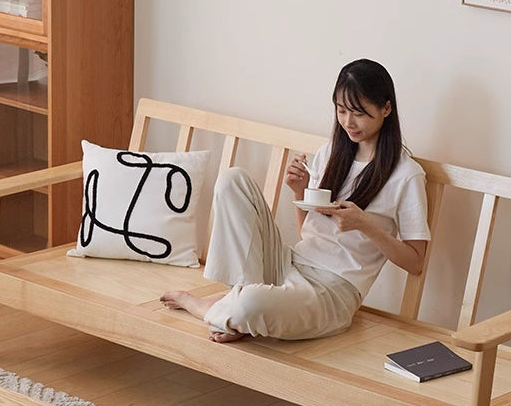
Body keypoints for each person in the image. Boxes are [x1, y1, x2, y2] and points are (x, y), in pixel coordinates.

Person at [160, 58, 431, 342]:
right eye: (341, 111)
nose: (348, 122)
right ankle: (239, 308)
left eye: (359, 113)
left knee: (251, 304)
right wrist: (299, 191)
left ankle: (216, 307)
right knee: (232, 180)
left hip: (331, 292)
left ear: (386, 108)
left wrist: (365, 224)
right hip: (289, 263)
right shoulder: (331, 153)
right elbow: (308, 234)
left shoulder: (407, 175)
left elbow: (415, 262)